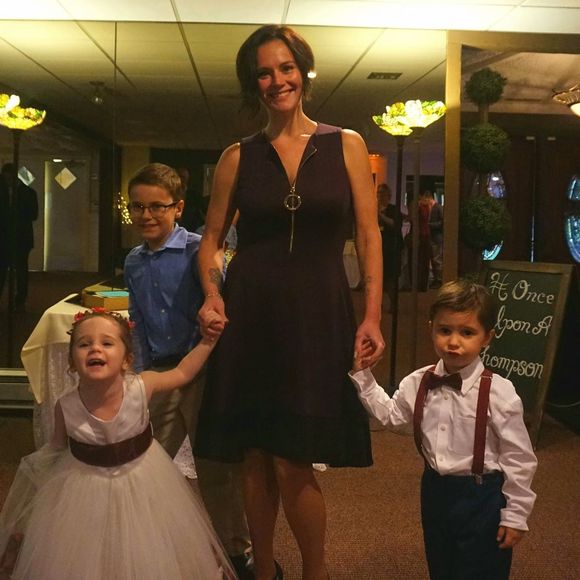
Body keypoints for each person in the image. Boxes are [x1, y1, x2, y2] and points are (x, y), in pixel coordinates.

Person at [194, 24, 385, 580]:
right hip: (251, 313)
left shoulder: (346, 144)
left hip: (318, 313)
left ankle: (314, 572)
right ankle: (264, 569)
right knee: (255, 454)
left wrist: (372, 314)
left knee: (293, 456)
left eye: (286, 68)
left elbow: (368, 235)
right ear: (252, 84)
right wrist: (212, 292)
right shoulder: (238, 156)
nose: (277, 80)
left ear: (303, 71)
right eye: (264, 73)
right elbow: (210, 239)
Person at [0, 308, 234, 579]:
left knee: (146, 548)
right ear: (71, 362)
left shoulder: (141, 387)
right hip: (85, 490)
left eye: (107, 343)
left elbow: (182, 373)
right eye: (84, 344)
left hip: (143, 483)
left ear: (127, 360)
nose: (95, 348)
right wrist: (34, 494)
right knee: (89, 554)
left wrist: (207, 341)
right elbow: (55, 448)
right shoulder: (66, 405)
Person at [350, 280, 537, 580]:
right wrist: (364, 376)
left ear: (487, 337)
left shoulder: (500, 393)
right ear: (431, 328)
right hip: (435, 491)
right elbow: (392, 416)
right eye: (445, 330)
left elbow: (519, 459)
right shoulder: (418, 382)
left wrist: (515, 515)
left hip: (482, 498)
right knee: (441, 564)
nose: (453, 342)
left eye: (467, 333)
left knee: (482, 571)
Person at [123, 163, 252, 578]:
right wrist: (140, 376)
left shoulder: (200, 251)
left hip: (204, 374)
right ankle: (147, 547)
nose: (146, 215)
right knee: (145, 465)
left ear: (177, 207)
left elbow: (223, 304)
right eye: (137, 206)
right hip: (160, 375)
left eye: (156, 207)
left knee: (216, 471)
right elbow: (138, 321)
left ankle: (237, 553)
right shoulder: (133, 261)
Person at [0, 163, 39, 311]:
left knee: (21, 270)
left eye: (9, 178)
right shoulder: (3, 192)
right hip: (4, 237)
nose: (7, 181)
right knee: (2, 269)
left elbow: (34, 214)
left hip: (21, 238)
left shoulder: (28, 193)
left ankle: (20, 300)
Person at [377, 183, 403, 308]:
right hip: (378, 248)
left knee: (390, 278)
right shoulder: (374, 209)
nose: (380, 196)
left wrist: (381, 216)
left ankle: (393, 303)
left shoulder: (394, 209)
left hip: (392, 248)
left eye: (382, 193)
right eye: (378, 193)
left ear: (389, 196)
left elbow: (395, 225)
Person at [417, 190, 443, 290]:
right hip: (430, 237)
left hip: (436, 237)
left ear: (429, 198)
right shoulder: (430, 208)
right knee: (433, 259)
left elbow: (442, 222)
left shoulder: (438, 207)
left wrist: (430, 225)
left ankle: (439, 279)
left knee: (437, 259)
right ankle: (436, 279)